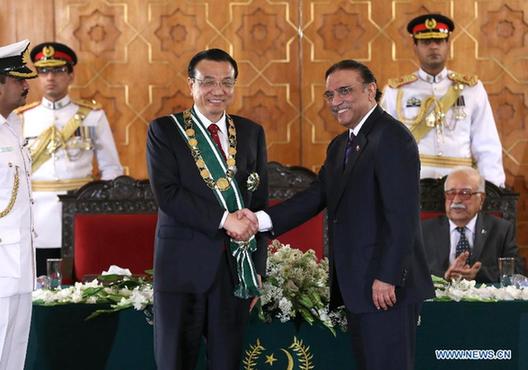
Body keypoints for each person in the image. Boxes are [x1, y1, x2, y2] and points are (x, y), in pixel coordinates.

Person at [246, 60, 434, 370]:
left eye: (344, 91)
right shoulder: (339, 146)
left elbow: (402, 217)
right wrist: (260, 221)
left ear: (371, 90)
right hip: (359, 287)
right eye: (330, 95)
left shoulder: (392, 138)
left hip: (385, 288)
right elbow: (316, 197)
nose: (336, 102)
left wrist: (387, 276)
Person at [146, 48, 268, 370]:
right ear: (191, 84)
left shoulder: (251, 133)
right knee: (175, 362)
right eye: (208, 82)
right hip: (180, 270)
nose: (218, 91)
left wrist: (257, 267)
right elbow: (168, 195)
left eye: (227, 82)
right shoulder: (164, 131)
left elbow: (259, 203)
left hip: (234, 270)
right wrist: (226, 219)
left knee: (227, 363)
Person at [16, 42, 123, 276]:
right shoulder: (22, 118)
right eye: (43, 71)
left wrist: (100, 214)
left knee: (79, 284)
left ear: (71, 75)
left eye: (57, 70)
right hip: (36, 219)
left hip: (79, 212)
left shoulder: (92, 116)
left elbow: (111, 169)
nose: (50, 77)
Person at [381, 13, 505, 187]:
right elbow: (384, 146)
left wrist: (492, 189)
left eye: (439, 41)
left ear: (448, 44)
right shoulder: (396, 91)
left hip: (462, 187)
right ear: (414, 46)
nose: (433, 47)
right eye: (426, 42)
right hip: (411, 184)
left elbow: (487, 145)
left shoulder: (472, 89)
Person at [0, 39, 37, 370]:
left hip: (20, 266)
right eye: (18, 79)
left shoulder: (13, 127)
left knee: (14, 354)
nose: (26, 86)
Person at [422, 166, 524, 283]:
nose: (456, 200)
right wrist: (445, 275)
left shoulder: (501, 229)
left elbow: (517, 271)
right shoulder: (424, 230)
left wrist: (478, 274)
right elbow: (411, 270)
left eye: (465, 193)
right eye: (451, 193)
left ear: (481, 199)